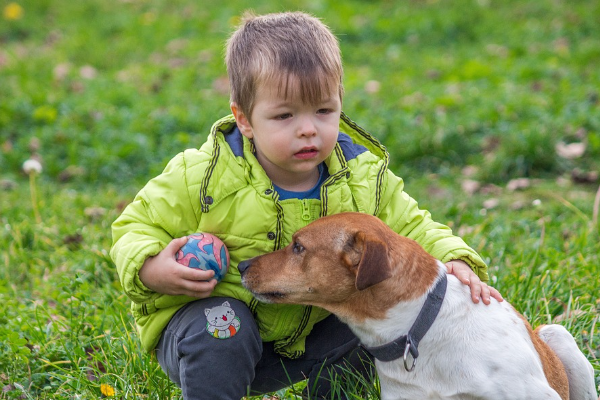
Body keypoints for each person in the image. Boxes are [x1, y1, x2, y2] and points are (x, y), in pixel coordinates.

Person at [110, 11, 502, 400]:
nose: (308, 128)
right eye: (284, 115)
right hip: (211, 325)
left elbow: (412, 227)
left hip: (312, 332)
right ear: (244, 119)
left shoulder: (362, 177)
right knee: (224, 327)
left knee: (375, 316)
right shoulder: (203, 175)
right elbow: (134, 227)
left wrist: (455, 257)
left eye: (323, 111)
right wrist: (151, 269)